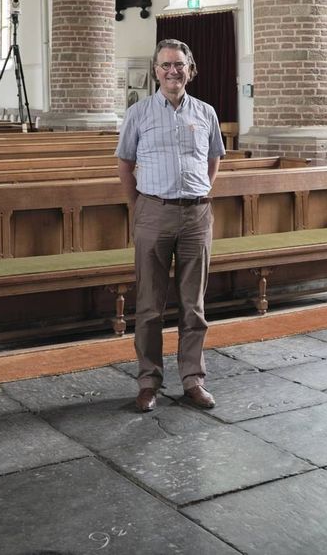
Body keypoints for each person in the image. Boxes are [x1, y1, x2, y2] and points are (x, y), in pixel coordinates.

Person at [115, 39, 226, 413]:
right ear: (155, 72)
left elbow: (213, 160)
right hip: (153, 211)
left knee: (193, 305)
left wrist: (199, 192)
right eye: (165, 65)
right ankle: (149, 381)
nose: (172, 71)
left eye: (179, 64)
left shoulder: (206, 113)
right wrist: (140, 209)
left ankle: (193, 379)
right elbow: (125, 165)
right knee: (149, 306)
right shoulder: (139, 113)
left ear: (190, 69)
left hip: (196, 215)